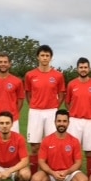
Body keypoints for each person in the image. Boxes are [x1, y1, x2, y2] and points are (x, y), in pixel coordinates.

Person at [30, 109, 88, 181]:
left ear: (68, 123)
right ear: (55, 122)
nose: (61, 124)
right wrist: (52, 173)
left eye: (64, 121)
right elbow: (41, 161)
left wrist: (67, 172)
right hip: (51, 173)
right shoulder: (47, 140)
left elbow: (78, 162)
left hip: (68, 173)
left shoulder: (74, 141)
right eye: (59, 121)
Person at [25, 45, 66, 174]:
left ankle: (49, 174)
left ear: (51, 58)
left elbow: (62, 93)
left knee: (51, 145)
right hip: (35, 112)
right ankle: (33, 175)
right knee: (35, 146)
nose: (44, 58)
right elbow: (28, 93)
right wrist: (34, 104)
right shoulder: (30, 75)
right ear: (38, 57)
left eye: (47, 56)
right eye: (42, 55)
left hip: (51, 112)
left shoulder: (58, 75)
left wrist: (55, 107)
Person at [65, 57, 91, 177]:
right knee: (72, 151)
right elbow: (67, 102)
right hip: (74, 121)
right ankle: (72, 177)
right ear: (77, 69)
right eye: (81, 67)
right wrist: (73, 111)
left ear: (89, 69)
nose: (83, 69)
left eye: (85, 67)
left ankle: (90, 178)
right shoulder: (72, 84)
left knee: (90, 151)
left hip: (89, 121)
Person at [0, 52, 25, 134]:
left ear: (9, 64)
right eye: (0, 62)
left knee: (13, 145)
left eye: (5, 62)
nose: (3, 64)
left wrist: (13, 113)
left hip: (12, 120)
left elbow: (20, 100)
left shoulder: (17, 81)